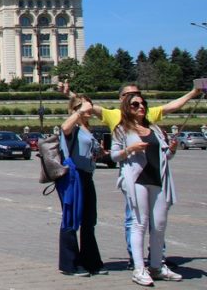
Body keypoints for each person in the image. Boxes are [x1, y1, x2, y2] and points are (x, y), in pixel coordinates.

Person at [62, 80, 201, 267]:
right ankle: (134, 260)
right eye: (130, 97)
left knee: (157, 220)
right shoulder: (115, 115)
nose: (137, 102)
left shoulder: (146, 112)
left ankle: (157, 258)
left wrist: (193, 93)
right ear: (121, 99)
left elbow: (172, 106)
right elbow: (87, 107)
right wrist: (69, 94)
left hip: (155, 172)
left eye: (138, 96)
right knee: (134, 218)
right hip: (132, 173)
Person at [111, 92, 182, 285]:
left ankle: (157, 266)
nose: (141, 107)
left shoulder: (154, 129)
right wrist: (130, 150)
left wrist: (172, 149)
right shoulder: (121, 130)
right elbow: (114, 156)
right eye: (135, 104)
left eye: (143, 104)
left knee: (159, 225)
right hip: (137, 180)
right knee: (139, 223)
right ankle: (139, 269)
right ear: (127, 108)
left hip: (158, 179)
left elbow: (165, 156)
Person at [57, 94, 105, 276]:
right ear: (76, 109)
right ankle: (70, 264)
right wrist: (79, 112)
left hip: (87, 176)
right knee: (71, 218)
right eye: (86, 108)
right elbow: (64, 128)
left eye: (90, 107)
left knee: (89, 220)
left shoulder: (86, 129)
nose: (90, 110)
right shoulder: (73, 125)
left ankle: (91, 261)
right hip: (73, 177)